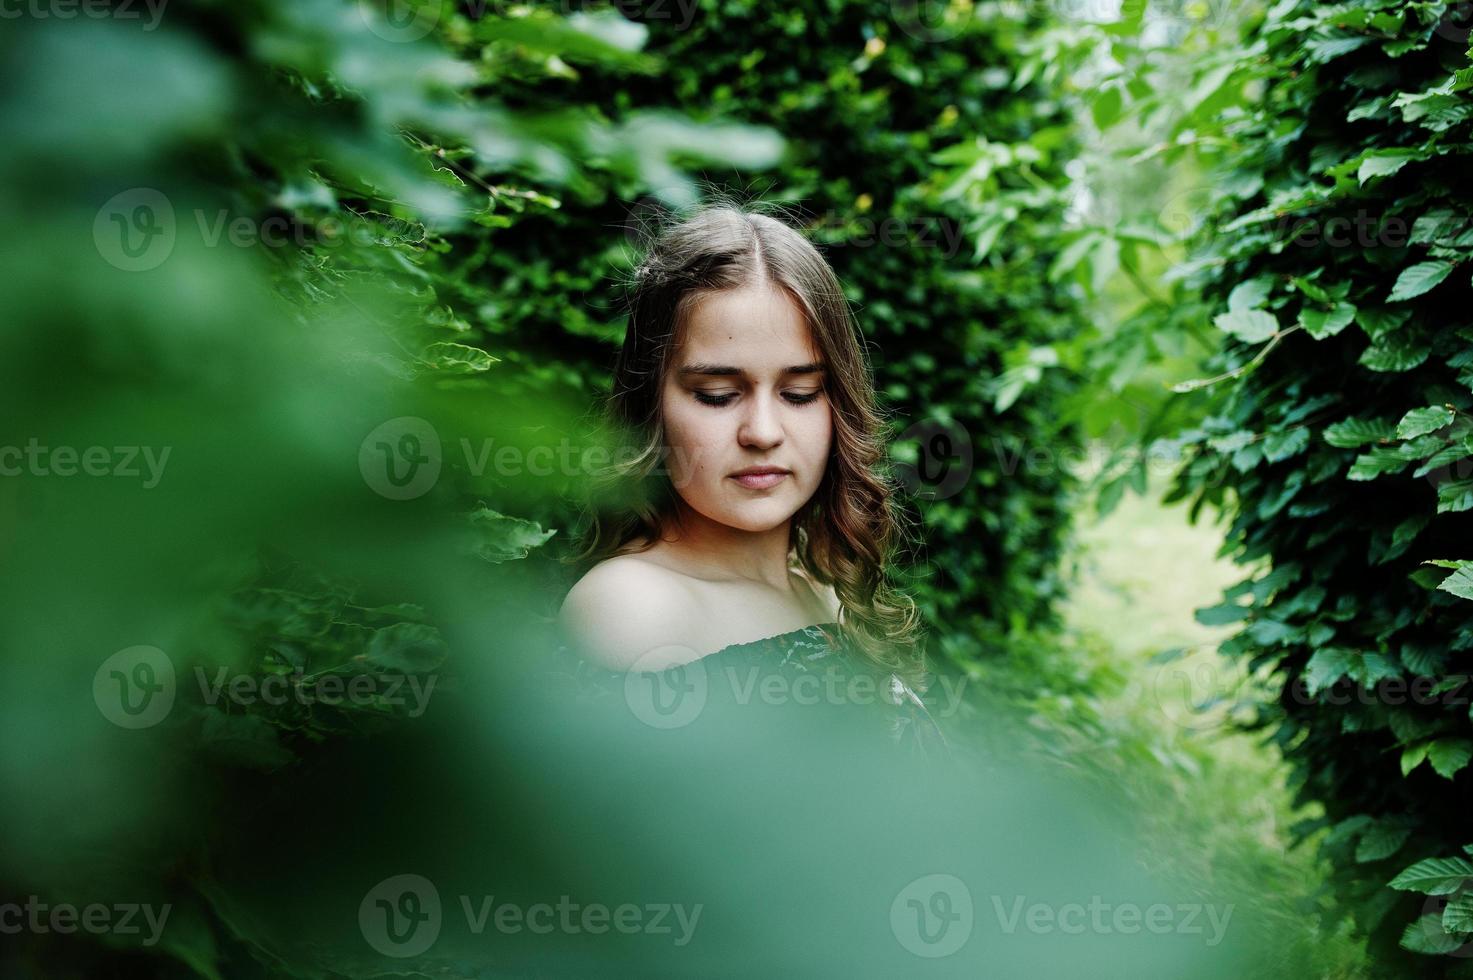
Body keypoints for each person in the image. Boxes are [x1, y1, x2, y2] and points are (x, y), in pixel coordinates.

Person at [556, 198, 946, 755]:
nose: (762, 431)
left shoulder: (824, 586)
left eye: (800, 393)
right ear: (651, 404)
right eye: (717, 396)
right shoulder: (633, 605)